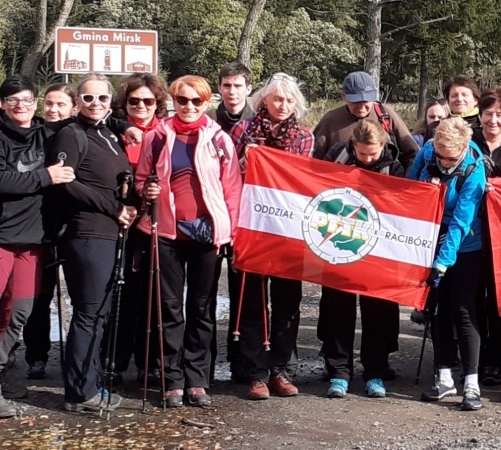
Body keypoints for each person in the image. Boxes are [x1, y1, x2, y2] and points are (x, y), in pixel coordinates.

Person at [0, 75, 75, 418]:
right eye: (13, 100)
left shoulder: (46, 133)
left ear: (35, 102)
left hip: (30, 240)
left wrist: (120, 125)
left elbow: (84, 121)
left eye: (27, 99)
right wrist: (45, 177)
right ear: (3, 103)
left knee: (19, 312)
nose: (21, 105)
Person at [133, 75, 239, 409]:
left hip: (208, 235)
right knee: (169, 309)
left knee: (202, 309)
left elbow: (232, 189)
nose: (189, 107)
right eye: (182, 101)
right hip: (167, 232)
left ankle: (198, 380)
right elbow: (140, 179)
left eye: (196, 101)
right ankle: (172, 380)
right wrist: (144, 191)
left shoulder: (220, 140)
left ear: (206, 102)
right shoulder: (158, 136)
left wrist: (231, 233)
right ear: (173, 102)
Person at [46, 74, 137, 413]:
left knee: (100, 314)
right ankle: (79, 393)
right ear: (77, 102)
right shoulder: (72, 134)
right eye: (87, 98)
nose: (95, 104)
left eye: (101, 98)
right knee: (88, 313)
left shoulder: (109, 132)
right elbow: (65, 183)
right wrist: (114, 208)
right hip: (85, 235)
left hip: (109, 233)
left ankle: (90, 384)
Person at [230, 73, 313, 400]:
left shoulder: (304, 137)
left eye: (290, 100)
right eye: (277, 98)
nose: (283, 105)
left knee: (287, 303)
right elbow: (228, 176)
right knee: (251, 301)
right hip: (252, 226)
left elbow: (304, 180)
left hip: (289, 230)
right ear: (263, 99)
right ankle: (255, 372)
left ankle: (281, 368)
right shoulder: (242, 131)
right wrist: (243, 161)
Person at [318, 119, 406, 398]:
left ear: (383, 146)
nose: (367, 159)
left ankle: (376, 372)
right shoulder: (338, 157)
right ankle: (339, 373)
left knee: (378, 312)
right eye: (362, 153)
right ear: (352, 145)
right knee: (337, 309)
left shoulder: (395, 167)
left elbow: (404, 207)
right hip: (339, 245)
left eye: (373, 154)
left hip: (379, 251)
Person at [412, 117, 490, 411]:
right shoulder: (428, 151)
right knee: (438, 309)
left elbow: (462, 220)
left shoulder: (474, 167)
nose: (444, 163)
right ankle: (444, 378)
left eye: (450, 158)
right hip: (430, 236)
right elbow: (411, 190)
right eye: (440, 157)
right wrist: (427, 185)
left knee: (463, 310)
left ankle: (471, 382)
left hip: (466, 244)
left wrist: (443, 263)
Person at [108, 73, 167, 388]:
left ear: (158, 103)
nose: (141, 106)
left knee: (152, 294)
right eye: (134, 101)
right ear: (125, 103)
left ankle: (151, 362)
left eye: (149, 101)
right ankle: (114, 360)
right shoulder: (112, 133)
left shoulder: (165, 133)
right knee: (120, 294)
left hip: (152, 220)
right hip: (116, 218)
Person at [25, 82, 77, 380]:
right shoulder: (34, 134)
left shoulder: (81, 133)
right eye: (49, 104)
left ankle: (78, 352)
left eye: (60, 104)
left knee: (79, 294)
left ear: (73, 108)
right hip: (39, 223)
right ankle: (37, 355)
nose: (53, 109)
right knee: (39, 295)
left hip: (73, 222)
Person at [474, 88, 501, 387]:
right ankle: (472, 358)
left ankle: (494, 362)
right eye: (488, 113)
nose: (493, 119)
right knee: (473, 299)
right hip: (472, 234)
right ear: (479, 115)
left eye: (499, 114)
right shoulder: (469, 145)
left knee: (499, 301)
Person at [311, 71, 419, 165]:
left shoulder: (385, 115)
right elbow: (314, 160)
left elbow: (412, 154)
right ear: (343, 96)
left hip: (382, 184)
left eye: (366, 101)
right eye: (356, 102)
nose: (362, 108)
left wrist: (408, 180)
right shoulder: (331, 120)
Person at [211, 63, 254, 134]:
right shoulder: (207, 120)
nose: (232, 91)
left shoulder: (258, 124)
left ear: (248, 89)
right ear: (219, 88)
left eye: (237, 86)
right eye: (227, 85)